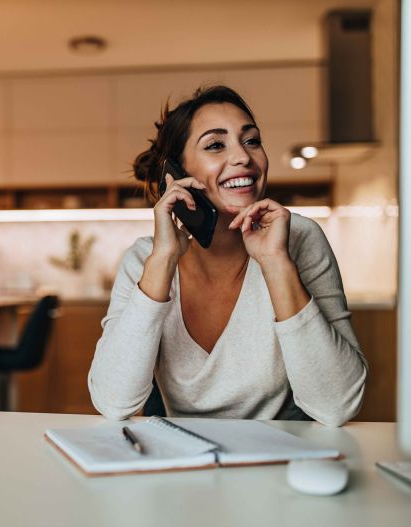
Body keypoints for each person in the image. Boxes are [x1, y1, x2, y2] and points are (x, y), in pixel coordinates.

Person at [88, 86, 367, 427]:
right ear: (176, 174)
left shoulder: (298, 239)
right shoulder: (146, 258)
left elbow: (338, 405)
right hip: (180, 461)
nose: (244, 158)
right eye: (216, 145)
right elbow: (113, 402)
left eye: (251, 141)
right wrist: (163, 259)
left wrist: (276, 262)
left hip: (277, 461)